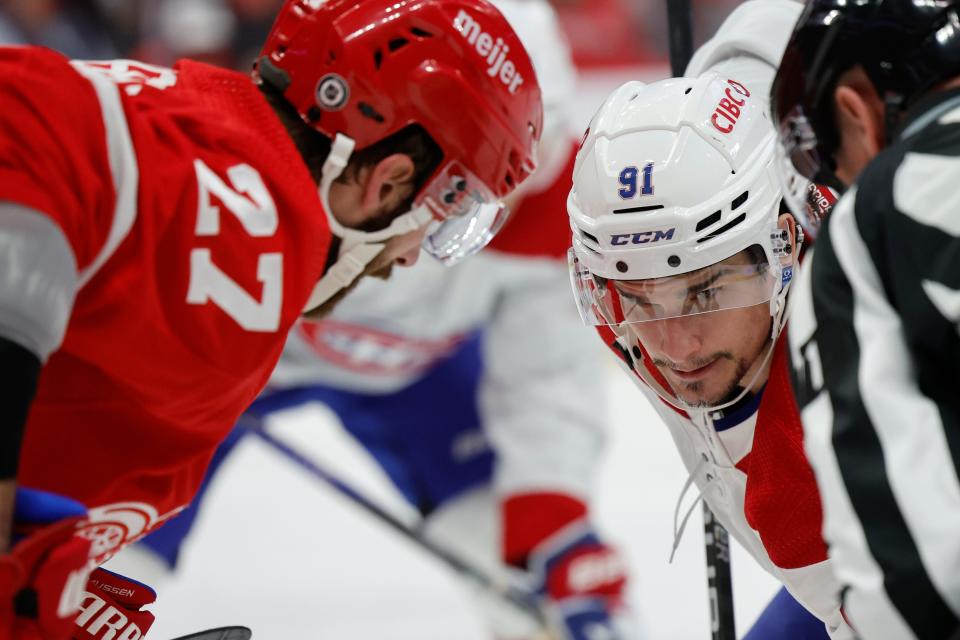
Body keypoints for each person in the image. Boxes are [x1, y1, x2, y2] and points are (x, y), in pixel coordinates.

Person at [0, 0, 542, 636]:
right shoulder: (250, 234)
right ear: (390, 182)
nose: (409, 257)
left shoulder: (210, 127)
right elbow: (22, 121)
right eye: (449, 211)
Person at [105, 3, 639, 639]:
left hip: (407, 375)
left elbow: (548, 372)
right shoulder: (310, 146)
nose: (425, 241)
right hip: (228, 342)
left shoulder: (550, 201)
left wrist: (549, 516)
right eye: (463, 182)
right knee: (92, 549)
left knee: (527, 566)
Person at [566, 1, 854, 637]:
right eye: (639, 298)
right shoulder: (746, 136)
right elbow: (765, 45)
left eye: (705, 292)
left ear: (785, 245)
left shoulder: (811, 464)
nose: (675, 345)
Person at [771, 1, 960, 638]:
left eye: (830, 157)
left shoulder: (868, 222)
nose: (840, 182)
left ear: (855, 111)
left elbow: (908, 566)